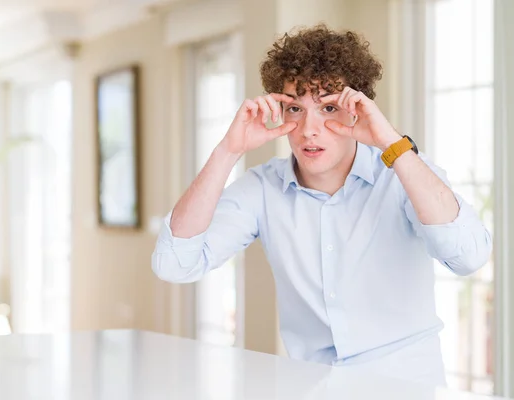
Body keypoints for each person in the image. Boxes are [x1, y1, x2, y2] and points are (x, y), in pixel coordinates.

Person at [151, 25, 492, 387]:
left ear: (357, 110)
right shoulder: (262, 189)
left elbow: (468, 257)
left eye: (328, 107)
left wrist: (391, 143)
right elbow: (175, 264)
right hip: (311, 386)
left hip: (406, 386)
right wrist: (228, 151)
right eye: (295, 108)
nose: (308, 129)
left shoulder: (401, 176)